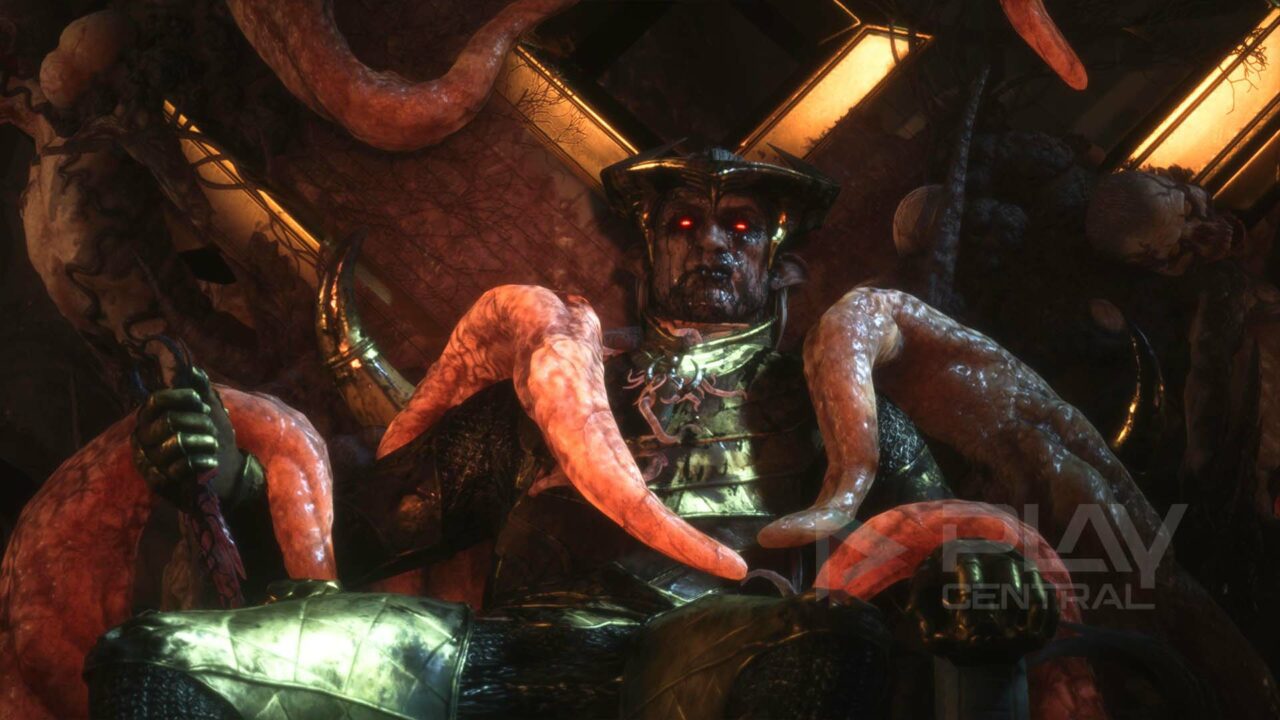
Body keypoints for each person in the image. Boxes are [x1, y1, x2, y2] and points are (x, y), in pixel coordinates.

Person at [85, 149, 1054, 719]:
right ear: (643, 253)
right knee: (155, 659)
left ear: (780, 261)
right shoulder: (550, 395)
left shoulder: (839, 410)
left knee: (815, 645)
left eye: (741, 226)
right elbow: (356, 533)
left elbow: (939, 550)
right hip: (484, 660)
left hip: (704, 657)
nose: (714, 243)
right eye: (684, 224)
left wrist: (982, 581)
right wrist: (231, 479)